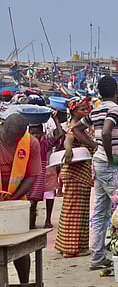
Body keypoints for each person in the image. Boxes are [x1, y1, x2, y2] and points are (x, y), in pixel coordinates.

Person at [72, 75, 118, 270]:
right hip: (109, 164)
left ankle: (98, 257)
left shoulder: (97, 109)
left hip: (98, 162)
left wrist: (94, 145)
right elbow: (108, 131)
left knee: (101, 212)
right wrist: (109, 156)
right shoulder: (114, 108)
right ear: (116, 91)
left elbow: (76, 128)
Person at [0, 113, 42, 284]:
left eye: (16, 139)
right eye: (9, 138)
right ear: (3, 128)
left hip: (17, 203)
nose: (12, 142)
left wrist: (13, 198)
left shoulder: (31, 143)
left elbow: (31, 176)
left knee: (21, 247)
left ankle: (24, 282)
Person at [55, 97, 95, 258]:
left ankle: (68, 245)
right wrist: (68, 149)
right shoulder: (74, 127)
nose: (85, 112)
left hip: (80, 171)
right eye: (82, 109)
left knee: (73, 209)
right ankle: (72, 248)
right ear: (73, 112)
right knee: (76, 211)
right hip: (76, 172)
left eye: (86, 109)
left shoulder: (81, 126)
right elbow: (68, 139)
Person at [28, 111, 64, 229]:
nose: (35, 136)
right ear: (28, 133)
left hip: (46, 170)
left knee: (49, 196)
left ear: (42, 133)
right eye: (33, 133)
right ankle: (31, 222)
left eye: (37, 133)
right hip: (32, 172)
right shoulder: (26, 143)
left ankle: (48, 220)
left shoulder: (45, 142)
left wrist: (56, 120)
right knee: (32, 200)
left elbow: (59, 134)